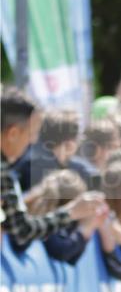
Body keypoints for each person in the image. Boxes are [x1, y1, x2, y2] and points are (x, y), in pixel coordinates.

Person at [1, 87, 107, 248]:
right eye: (32, 134)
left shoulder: (7, 171)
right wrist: (71, 212)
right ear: (13, 134)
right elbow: (22, 230)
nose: (33, 142)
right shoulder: (6, 172)